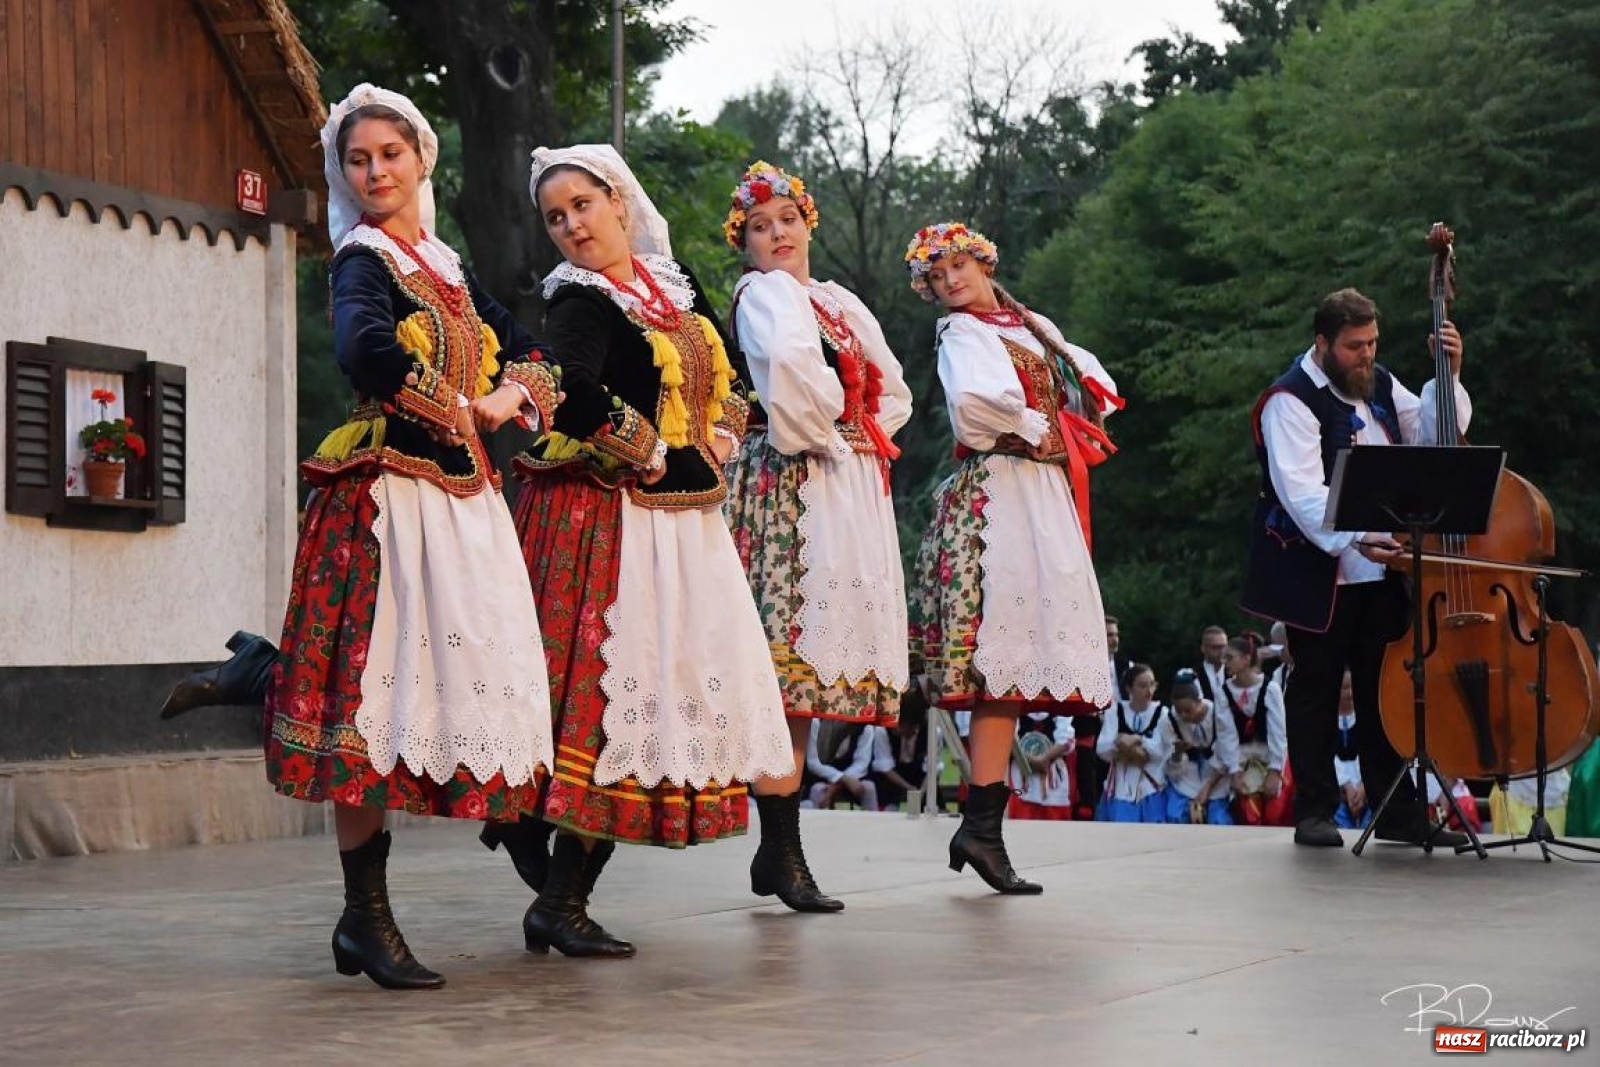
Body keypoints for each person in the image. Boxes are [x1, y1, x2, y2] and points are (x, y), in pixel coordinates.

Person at [165, 86, 560, 989]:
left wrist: (509, 395)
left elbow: (531, 348)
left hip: (463, 505)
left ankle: (266, 674)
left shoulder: (449, 271)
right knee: (365, 708)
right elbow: (363, 352)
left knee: (479, 675)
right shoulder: (363, 260)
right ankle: (364, 918)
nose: (376, 171)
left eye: (390, 154)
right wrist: (463, 406)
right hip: (388, 502)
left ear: (423, 159)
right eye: (358, 159)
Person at [504, 145, 793, 955]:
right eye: (555, 217)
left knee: (653, 700)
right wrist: (655, 450)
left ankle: (553, 886)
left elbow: (729, 375)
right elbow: (572, 389)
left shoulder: (676, 283)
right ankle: (555, 889)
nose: (571, 226)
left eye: (583, 206)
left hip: (684, 524)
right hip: (607, 519)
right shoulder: (578, 300)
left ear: (620, 203)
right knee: (606, 702)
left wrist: (726, 434)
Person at [905, 222, 1121, 891]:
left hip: (1040, 496)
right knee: (1000, 655)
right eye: (938, 278)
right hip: (1000, 491)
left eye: (959, 267)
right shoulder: (961, 333)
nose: (951, 283)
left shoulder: (1032, 323)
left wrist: (1074, 416)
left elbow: (1088, 379)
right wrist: (1042, 425)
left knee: (1017, 659)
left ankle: (982, 828)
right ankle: (982, 827)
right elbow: (975, 409)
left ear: (984, 261)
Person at [721, 161, 911, 910]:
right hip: (787, 483)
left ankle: (779, 850)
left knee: (798, 685)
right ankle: (782, 851)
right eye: (760, 228)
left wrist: (860, 436)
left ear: (807, 224)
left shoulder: (837, 302)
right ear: (747, 243)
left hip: (840, 482)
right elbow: (793, 380)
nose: (776, 236)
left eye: (786, 222)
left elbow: (893, 386)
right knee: (780, 672)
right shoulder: (762, 294)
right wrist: (836, 431)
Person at [1241, 287, 1470, 848]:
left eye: (1371, 343)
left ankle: (1396, 811)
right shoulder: (1289, 401)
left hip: (1382, 568)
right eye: (1353, 346)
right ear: (1322, 343)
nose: (1366, 355)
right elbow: (1302, 493)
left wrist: (1450, 376)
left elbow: (1434, 438)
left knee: (1385, 688)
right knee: (1315, 688)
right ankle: (1314, 810)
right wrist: (1364, 535)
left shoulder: (1383, 385)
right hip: (1316, 569)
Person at [1220, 635, 1293, 827]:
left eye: (1230, 657)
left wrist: (1275, 771)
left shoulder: (1270, 688)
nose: (1225, 663)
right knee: (1250, 816)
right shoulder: (1224, 692)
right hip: (1243, 759)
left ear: (1246, 659)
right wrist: (1234, 771)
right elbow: (1226, 734)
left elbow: (1279, 732)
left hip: (1272, 757)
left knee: (1275, 815)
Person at [1095, 664, 1172, 822]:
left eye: (1152, 684)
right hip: (1121, 788)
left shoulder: (1162, 713)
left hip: (1151, 788)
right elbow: (1102, 748)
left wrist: (1137, 739)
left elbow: (1160, 752)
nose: (1149, 690)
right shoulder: (1115, 711)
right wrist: (1130, 750)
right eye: (1143, 686)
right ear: (1129, 688)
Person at [1163, 668, 1238, 825]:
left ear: (1199, 701)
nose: (1183, 715)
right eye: (1179, 710)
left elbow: (1227, 753)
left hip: (1217, 776)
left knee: (1219, 820)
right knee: (1174, 815)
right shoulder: (1171, 719)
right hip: (1187, 778)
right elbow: (1171, 767)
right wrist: (1177, 754)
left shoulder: (1218, 713)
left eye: (1188, 710)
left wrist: (1208, 787)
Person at [1008, 712, 1076, 820]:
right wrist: (1032, 760)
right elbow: (1008, 738)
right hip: (1021, 775)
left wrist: (1044, 758)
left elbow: (1066, 740)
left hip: (1053, 778)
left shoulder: (1060, 704)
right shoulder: (1017, 703)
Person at [1195, 626, 1229, 706]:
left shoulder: (1234, 674)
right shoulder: (1194, 676)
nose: (1221, 651)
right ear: (1203, 648)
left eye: (1224, 646)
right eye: (1215, 648)